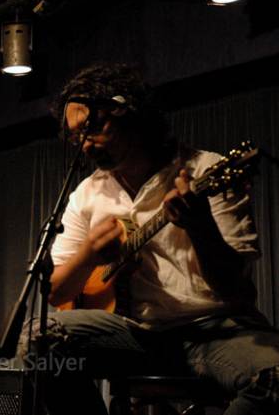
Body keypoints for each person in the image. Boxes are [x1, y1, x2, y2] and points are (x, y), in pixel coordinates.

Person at [22, 62, 279, 415]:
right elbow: (56, 292)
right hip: (138, 334)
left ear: (128, 110)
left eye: (92, 128)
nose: (85, 144)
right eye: (76, 136)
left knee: (274, 378)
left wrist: (199, 225)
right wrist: (89, 256)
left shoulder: (205, 170)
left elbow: (237, 291)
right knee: (38, 339)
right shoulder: (87, 193)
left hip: (217, 328)